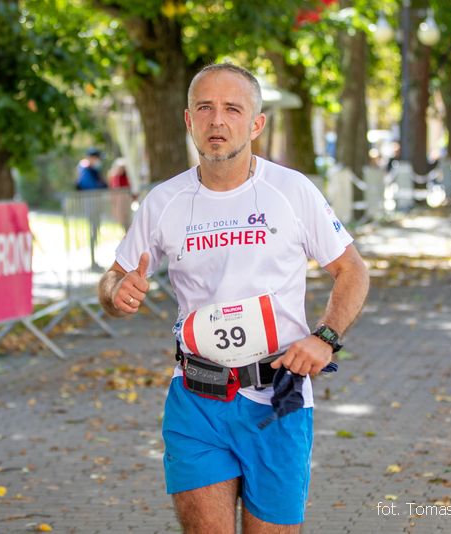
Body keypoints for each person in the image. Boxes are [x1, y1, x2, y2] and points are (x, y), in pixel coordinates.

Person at [98, 63, 369, 532]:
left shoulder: (292, 191)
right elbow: (113, 278)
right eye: (205, 108)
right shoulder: (164, 201)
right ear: (189, 120)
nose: (217, 120)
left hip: (278, 400)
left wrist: (325, 337)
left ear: (256, 123)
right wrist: (116, 292)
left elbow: (352, 270)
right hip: (197, 398)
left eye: (232, 109)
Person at [76, 147, 107, 269]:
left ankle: (95, 261)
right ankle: (93, 262)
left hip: (96, 205)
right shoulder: (85, 170)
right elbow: (90, 186)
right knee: (92, 232)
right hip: (91, 205)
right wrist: (102, 185)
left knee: (95, 232)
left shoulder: (92, 170)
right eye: (97, 158)